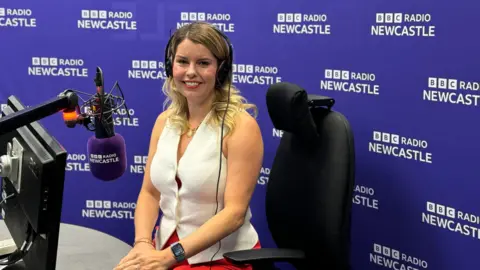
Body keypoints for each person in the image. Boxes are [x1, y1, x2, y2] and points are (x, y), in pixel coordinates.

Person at [114, 21, 264, 270]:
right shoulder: (165, 122)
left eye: (203, 63)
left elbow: (235, 213)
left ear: (221, 70)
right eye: (182, 62)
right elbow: (150, 193)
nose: (190, 72)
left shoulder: (241, 127)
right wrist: (142, 243)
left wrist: (169, 257)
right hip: (165, 248)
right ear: (170, 66)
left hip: (221, 259)